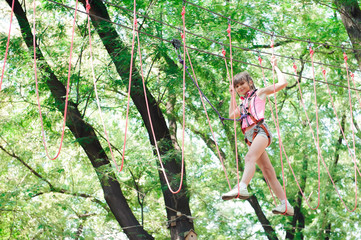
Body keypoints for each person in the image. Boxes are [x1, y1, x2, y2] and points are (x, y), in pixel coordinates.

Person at [221, 56, 294, 216]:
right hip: (250, 136)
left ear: (250, 83)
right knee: (268, 171)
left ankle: (242, 186)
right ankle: (285, 204)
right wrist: (232, 95)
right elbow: (232, 114)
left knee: (249, 158)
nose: (240, 87)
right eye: (237, 86)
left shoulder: (259, 93)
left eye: (242, 84)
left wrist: (276, 67)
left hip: (260, 131)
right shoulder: (242, 104)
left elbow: (282, 84)